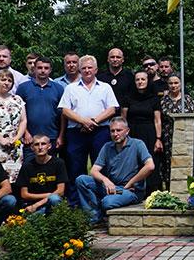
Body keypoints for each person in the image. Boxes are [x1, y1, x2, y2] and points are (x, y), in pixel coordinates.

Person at [58, 54, 118, 205]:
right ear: (79, 70)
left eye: (89, 67)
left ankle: (102, 202)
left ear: (96, 69)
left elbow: (112, 109)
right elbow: (65, 110)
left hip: (100, 132)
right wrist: (83, 121)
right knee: (75, 168)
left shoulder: (105, 87)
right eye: (83, 68)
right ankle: (76, 204)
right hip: (76, 132)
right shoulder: (71, 88)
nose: (86, 70)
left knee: (101, 167)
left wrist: (93, 122)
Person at [75, 117, 154, 226]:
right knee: (81, 180)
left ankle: (100, 209)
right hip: (111, 187)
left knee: (107, 202)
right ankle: (93, 218)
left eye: (119, 130)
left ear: (127, 131)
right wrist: (105, 180)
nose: (115, 134)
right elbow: (94, 170)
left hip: (130, 190)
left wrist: (130, 183)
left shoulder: (137, 144)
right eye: (112, 131)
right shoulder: (107, 147)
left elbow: (150, 166)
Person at [122, 70, 163, 195]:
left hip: (149, 133)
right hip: (132, 132)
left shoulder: (154, 99)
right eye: (137, 79)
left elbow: (157, 120)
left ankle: (152, 192)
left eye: (143, 79)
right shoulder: (128, 98)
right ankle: (134, 189)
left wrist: (158, 138)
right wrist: (124, 136)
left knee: (150, 161)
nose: (140, 82)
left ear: (147, 81)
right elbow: (123, 119)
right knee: (134, 161)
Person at [16, 56, 65, 162]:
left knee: (50, 170)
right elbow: (18, 113)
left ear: (50, 70)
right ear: (34, 69)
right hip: (30, 138)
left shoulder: (59, 89)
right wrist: (25, 132)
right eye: (40, 68)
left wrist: (60, 136)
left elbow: (62, 115)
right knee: (29, 169)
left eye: (46, 68)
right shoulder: (23, 88)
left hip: (51, 136)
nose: (43, 70)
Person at [160, 74, 194, 190]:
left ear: (180, 84)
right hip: (168, 135)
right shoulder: (163, 101)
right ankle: (170, 188)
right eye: (171, 83)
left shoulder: (188, 99)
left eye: (176, 83)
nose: (173, 86)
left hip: (185, 135)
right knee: (168, 162)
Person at [15, 134, 68, 214]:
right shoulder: (27, 166)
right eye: (36, 144)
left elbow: (60, 192)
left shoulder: (58, 163)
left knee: (54, 198)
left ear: (49, 146)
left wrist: (37, 205)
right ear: (32, 148)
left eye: (43, 144)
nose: (40, 147)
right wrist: (49, 195)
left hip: (51, 203)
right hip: (32, 205)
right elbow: (24, 194)